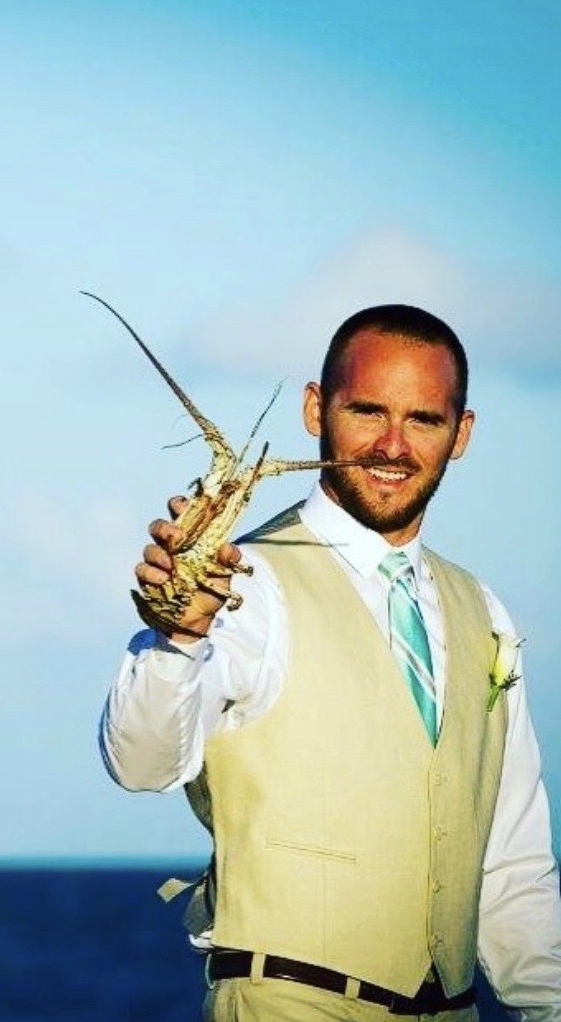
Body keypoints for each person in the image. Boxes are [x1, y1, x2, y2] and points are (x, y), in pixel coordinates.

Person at [100, 305, 561, 1020]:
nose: (392, 445)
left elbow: (512, 865)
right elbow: (143, 764)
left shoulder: (486, 613)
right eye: (367, 411)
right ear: (316, 409)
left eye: (425, 420)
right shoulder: (245, 583)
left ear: (461, 434)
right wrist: (177, 639)